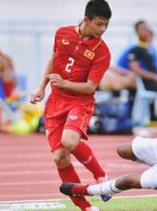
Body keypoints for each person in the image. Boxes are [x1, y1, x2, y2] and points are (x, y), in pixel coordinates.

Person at [30, 0, 112, 210]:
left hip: (79, 102)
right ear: (87, 20)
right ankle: (86, 207)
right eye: (100, 24)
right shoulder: (62, 33)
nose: (103, 29)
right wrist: (41, 87)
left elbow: (90, 87)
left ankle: (101, 175)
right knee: (59, 158)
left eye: (106, 25)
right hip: (56, 101)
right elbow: (54, 59)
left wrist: (65, 83)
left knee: (70, 140)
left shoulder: (102, 52)